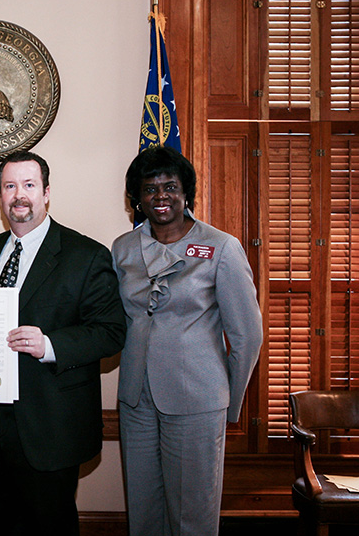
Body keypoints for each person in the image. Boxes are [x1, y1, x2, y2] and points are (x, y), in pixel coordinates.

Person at [0, 150, 126, 535]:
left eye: (28, 185)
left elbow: (112, 331)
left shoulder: (86, 255)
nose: (18, 195)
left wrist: (50, 345)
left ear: (46, 192)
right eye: (10, 186)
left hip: (51, 427)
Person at [112, 146, 262, 536]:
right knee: (143, 511)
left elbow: (247, 336)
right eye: (150, 189)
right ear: (137, 200)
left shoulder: (221, 247)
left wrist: (227, 400)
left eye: (170, 187)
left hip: (197, 399)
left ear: (186, 194)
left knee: (192, 515)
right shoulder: (122, 249)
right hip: (136, 399)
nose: (160, 197)